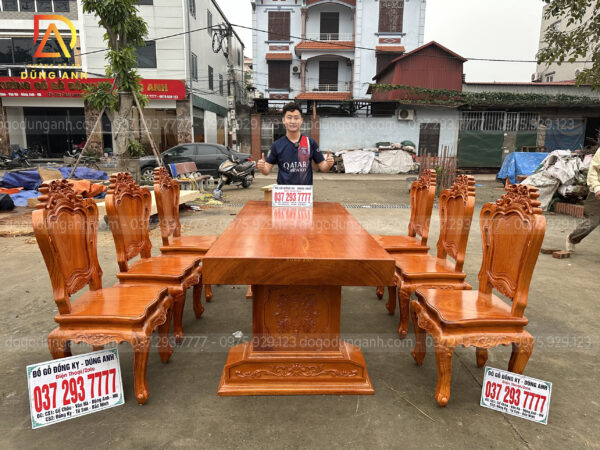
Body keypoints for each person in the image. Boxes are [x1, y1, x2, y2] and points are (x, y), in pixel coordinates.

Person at [256, 102, 334, 185]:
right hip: (283, 191)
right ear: (283, 120)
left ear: (301, 120)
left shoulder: (310, 143)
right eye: (289, 118)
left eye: (296, 118)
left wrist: (328, 164)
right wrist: (262, 167)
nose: (292, 121)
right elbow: (266, 170)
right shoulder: (277, 145)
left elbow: (323, 167)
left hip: (304, 192)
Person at [566, 146, 600, 252]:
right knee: (592, 222)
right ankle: (572, 238)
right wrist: (597, 187)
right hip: (598, 193)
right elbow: (593, 171)